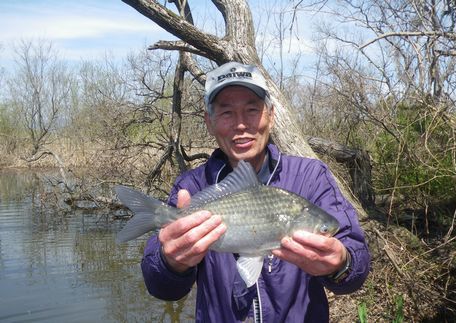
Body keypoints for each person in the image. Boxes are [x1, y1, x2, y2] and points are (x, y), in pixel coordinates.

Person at [141, 62, 370, 322]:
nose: (241, 125)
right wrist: (171, 262)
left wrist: (341, 264)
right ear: (209, 121)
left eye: (252, 110)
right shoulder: (191, 186)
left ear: (271, 115)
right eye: (227, 113)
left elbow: (356, 267)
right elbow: (158, 285)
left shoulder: (312, 176)